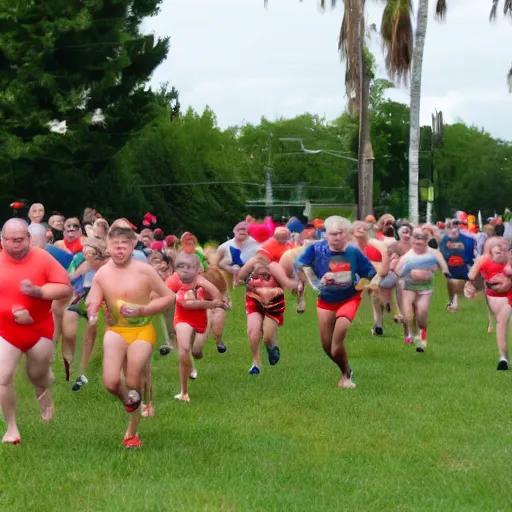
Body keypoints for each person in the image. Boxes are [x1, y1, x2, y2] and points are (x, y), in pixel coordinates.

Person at [86, 226, 174, 448]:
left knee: (134, 378)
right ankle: (128, 399)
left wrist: (143, 310)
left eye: (124, 245)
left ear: (133, 245)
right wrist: (93, 311)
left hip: (142, 329)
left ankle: (132, 433)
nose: (119, 250)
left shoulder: (144, 270)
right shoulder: (103, 273)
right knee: (111, 382)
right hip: (116, 330)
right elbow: (92, 298)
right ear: (107, 247)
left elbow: (169, 297)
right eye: (114, 245)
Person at [0, 219, 72, 444]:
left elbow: (65, 288)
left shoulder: (42, 258)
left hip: (38, 329)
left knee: (37, 375)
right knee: (2, 377)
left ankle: (43, 390)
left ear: (29, 239)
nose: (16, 245)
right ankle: (11, 428)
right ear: (2, 241)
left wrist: (38, 292)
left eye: (20, 240)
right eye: (10, 240)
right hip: (6, 330)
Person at [296, 216, 376, 388]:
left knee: (336, 345)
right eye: (333, 234)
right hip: (325, 300)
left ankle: (346, 377)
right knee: (326, 346)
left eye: (340, 233)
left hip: (349, 298)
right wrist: (313, 280)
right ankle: (346, 369)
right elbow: (299, 263)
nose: (336, 237)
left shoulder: (353, 252)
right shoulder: (317, 249)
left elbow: (370, 271)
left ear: (346, 234)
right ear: (326, 235)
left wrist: (360, 285)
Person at [166, 251, 227, 403]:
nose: (185, 270)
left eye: (190, 267)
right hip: (182, 318)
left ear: (198, 269)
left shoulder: (200, 280)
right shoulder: (174, 280)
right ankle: (184, 392)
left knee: (196, 348)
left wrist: (215, 302)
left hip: (200, 319)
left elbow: (216, 295)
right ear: (175, 268)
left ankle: (194, 358)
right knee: (184, 349)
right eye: (181, 266)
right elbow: (163, 295)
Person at [62, 238, 109, 391]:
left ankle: (90, 371)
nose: (86, 254)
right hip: (88, 299)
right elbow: (71, 279)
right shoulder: (83, 262)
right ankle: (83, 370)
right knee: (83, 334)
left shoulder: (109, 265)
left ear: (99, 253)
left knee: (97, 334)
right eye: (85, 250)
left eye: (89, 251)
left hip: (107, 302)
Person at [395, 228, 450, 353]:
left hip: (425, 288)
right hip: (409, 286)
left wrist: (445, 270)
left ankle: (422, 332)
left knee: (422, 314)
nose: (418, 243)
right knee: (408, 315)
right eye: (416, 240)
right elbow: (398, 271)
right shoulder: (408, 255)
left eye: (421, 239)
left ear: (426, 241)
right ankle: (415, 337)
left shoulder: (433, 253)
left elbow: (442, 263)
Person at [466, 237, 512, 370]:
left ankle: (504, 357)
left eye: (503, 247)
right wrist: (472, 285)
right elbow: (472, 276)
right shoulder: (484, 261)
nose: (500, 249)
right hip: (497, 297)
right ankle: (503, 357)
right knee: (502, 322)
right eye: (496, 247)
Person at [440, 220, 476, 312]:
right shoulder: (445, 239)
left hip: (462, 266)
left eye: (456, 226)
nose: (454, 229)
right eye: (452, 227)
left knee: (455, 283)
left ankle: (455, 303)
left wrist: (460, 250)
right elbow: (443, 253)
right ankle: (453, 301)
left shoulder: (466, 239)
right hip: (449, 266)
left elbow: (469, 254)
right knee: (450, 284)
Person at [217, 222, 260, 288]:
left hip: (250, 269)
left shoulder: (255, 244)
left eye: (244, 230)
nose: (241, 232)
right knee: (233, 266)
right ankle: (238, 280)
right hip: (231, 270)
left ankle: (246, 281)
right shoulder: (225, 246)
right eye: (239, 230)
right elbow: (217, 261)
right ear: (234, 232)